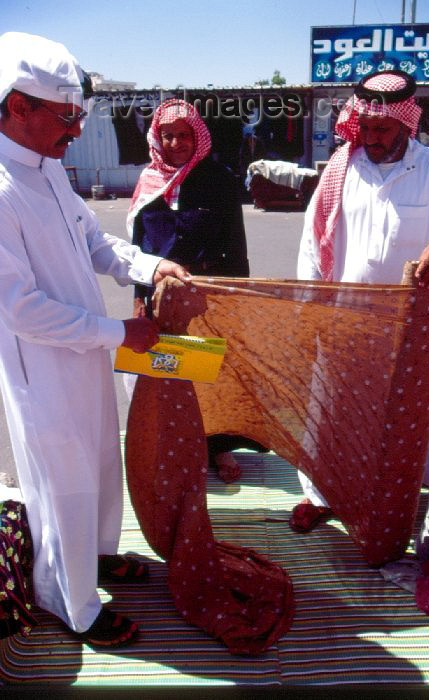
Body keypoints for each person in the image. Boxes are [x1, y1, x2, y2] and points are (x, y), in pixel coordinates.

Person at [0, 32, 191, 647]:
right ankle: (71, 602)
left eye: (79, 117)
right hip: (43, 369)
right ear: (18, 106)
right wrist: (119, 332)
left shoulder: (50, 170)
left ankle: (99, 559)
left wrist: (148, 266)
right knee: (65, 483)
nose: (77, 131)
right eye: (66, 117)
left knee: (101, 465)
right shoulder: (3, 188)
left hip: (85, 354)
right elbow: (21, 309)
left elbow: (94, 242)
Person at [291, 70, 429, 534]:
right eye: (364, 126)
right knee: (333, 411)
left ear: (407, 124)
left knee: (406, 417)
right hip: (345, 319)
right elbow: (311, 243)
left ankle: (403, 496)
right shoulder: (343, 169)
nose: (371, 136)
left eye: (382, 128)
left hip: (413, 326)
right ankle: (320, 496)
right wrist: (311, 307)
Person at [126, 98, 256, 483]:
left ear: (197, 136)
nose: (177, 143)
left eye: (184, 135)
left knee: (208, 376)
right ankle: (169, 446)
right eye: (168, 136)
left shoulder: (218, 179)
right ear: (157, 138)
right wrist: (139, 299)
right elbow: (137, 248)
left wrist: (238, 298)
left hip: (206, 294)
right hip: (160, 294)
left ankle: (216, 450)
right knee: (165, 373)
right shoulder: (148, 181)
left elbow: (236, 242)